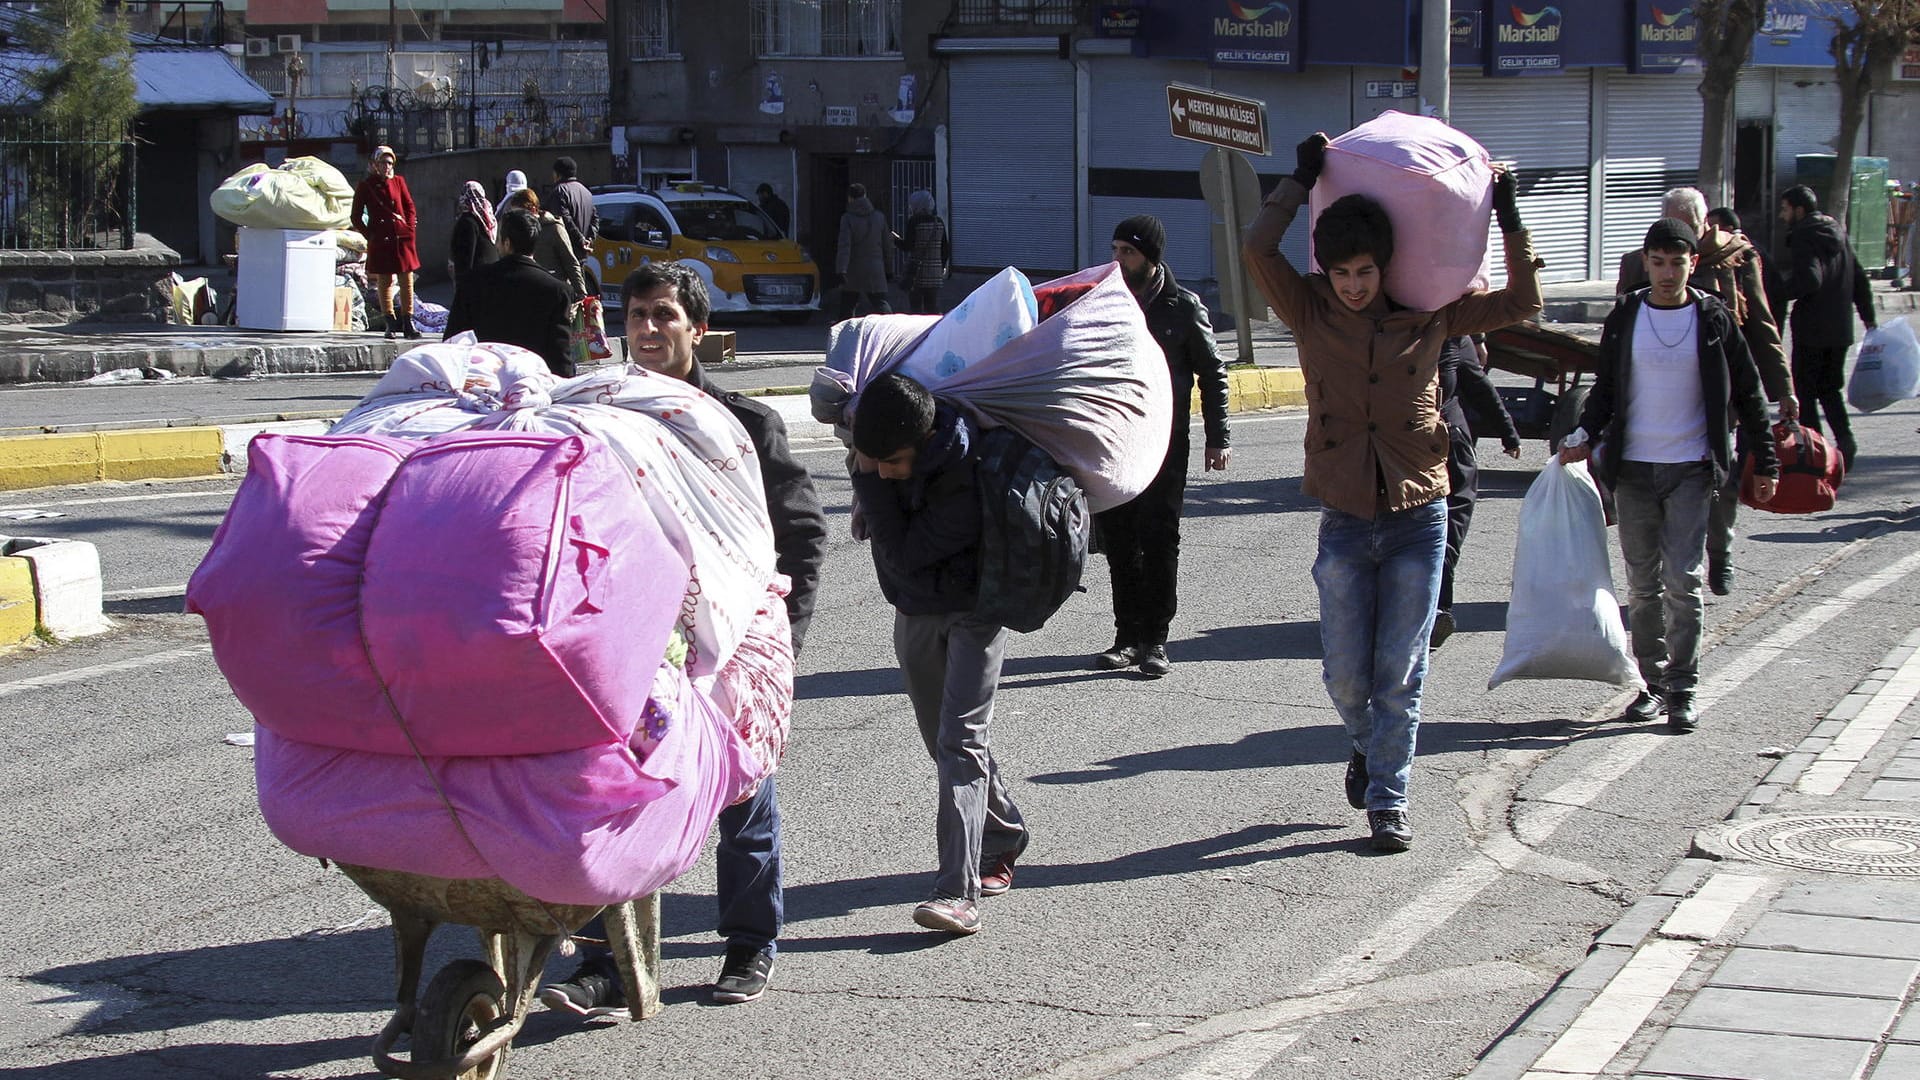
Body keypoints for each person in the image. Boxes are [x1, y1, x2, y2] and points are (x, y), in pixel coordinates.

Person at [1241, 133, 1543, 853]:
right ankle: (1366, 746)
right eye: (1342, 272)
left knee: (1401, 672)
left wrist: (1508, 211)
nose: (1353, 284)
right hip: (1346, 515)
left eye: (1365, 271)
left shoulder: (1432, 313)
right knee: (1348, 676)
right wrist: (1298, 177)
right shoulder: (1310, 309)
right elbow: (1259, 250)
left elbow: (1523, 300)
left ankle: (1390, 800)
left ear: (1386, 266)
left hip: (1420, 513)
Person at [541, 261, 827, 1013]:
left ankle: (749, 944)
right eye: (636, 315)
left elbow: (799, 532)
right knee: (618, 800)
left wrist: (777, 641)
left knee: (743, 794)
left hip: (731, 642)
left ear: (699, 330)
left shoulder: (743, 426)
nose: (647, 328)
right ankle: (612, 964)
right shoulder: (607, 419)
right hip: (636, 644)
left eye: (664, 315)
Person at [1560, 218, 1780, 734]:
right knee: (1642, 585)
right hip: (1634, 470)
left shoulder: (1712, 318)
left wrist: (1765, 460)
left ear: (1692, 264)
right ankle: (1652, 685)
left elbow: (1748, 394)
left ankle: (1683, 687)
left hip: (1693, 469)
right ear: (1646, 262)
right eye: (1657, 262)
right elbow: (1607, 387)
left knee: (1684, 579)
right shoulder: (1628, 315)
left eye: (1676, 262)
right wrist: (1583, 433)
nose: (1666, 272)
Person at [850, 371, 1028, 935]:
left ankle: (957, 890)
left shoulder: (968, 473)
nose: (882, 471)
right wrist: (873, 469)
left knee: (960, 741)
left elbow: (903, 551)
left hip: (974, 610)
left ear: (924, 443)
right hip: (914, 610)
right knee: (943, 742)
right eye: (872, 460)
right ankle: (1002, 832)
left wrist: (869, 484)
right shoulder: (885, 444)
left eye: (892, 463)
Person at [1617, 189, 1797, 596]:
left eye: (1690, 226)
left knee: (1723, 479)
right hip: (1656, 398)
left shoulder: (1735, 257)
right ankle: (1669, 576)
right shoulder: (1638, 262)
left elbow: (1762, 325)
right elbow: (1621, 332)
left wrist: (1782, 387)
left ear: (1706, 225)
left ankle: (1720, 551)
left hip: (1720, 393)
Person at [1091, 213, 1230, 678]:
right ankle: (1125, 637)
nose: (1117, 259)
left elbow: (1212, 374)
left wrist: (1218, 438)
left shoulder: (1182, 307)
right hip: (1116, 441)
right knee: (1119, 542)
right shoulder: (1106, 302)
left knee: (1159, 540)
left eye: (1126, 252)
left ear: (1150, 256)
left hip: (1166, 442)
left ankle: (1155, 640)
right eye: (1114, 250)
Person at [1776, 184, 1876, 471]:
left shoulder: (1804, 235)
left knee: (1805, 393)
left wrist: (1779, 292)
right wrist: (1868, 318)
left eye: (1784, 209)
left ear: (1799, 209)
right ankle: (1845, 441)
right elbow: (1859, 277)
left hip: (1812, 330)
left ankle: (1814, 453)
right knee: (1830, 390)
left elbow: (1810, 279)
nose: (1783, 216)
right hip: (1840, 328)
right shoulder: (1837, 231)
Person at [1431, 334, 1521, 649]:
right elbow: (1477, 383)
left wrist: (1508, 432)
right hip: (1441, 443)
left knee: (1441, 524)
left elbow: (1476, 384)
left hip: (1432, 445)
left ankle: (1430, 609)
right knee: (1448, 524)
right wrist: (1508, 433)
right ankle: (1434, 608)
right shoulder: (1452, 332)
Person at [443, 209, 574, 376]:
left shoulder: (473, 283)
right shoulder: (558, 291)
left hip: (483, 381)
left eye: (498, 240)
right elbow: (560, 356)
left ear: (506, 243)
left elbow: (452, 342)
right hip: (532, 385)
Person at [350, 145, 421, 340]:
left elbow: (409, 207)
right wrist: (370, 235)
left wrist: (410, 229)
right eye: (383, 162)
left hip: (402, 239)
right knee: (385, 281)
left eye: (390, 163)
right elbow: (355, 216)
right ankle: (390, 321)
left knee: (407, 281)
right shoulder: (366, 186)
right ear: (374, 164)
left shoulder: (399, 182)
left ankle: (408, 322)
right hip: (381, 240)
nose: (387, 166)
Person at [502, 188, 589, 302]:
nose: (518, 218)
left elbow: (570, 262)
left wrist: (582, 295)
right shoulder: (516, 231)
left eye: (521, 213)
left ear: (533, 209)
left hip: (554, 293)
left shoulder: (554, 228)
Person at [836, 183, 895, 320]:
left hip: (853, 267)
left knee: (848, 304)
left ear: (850, 198)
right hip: (875, 267)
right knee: (880, 302)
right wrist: (889, 268)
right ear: (865, 195)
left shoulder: (847, 218)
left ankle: (845, 335)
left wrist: (841, 269)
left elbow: (845, 246)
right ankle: (891, 327)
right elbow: (887, 245)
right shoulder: (879, 217)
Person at [896, 189, 950, 315]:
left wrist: (895, 240)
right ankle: (934, 332)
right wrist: (941, 267)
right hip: (935, 274)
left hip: (918, 273)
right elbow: (945, 249)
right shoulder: (939, 222)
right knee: (932, 308)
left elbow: (908, 246)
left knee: (916, 309)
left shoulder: (914, 221)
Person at [546, 156, 599, 263]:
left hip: (565, 255)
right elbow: (595, 219)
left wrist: (581, 240)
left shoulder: (559, 191)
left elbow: (564, 219)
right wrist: (589, 239)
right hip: (582, 254)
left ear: (558, 174)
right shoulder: (586, 192)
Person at [447, 180, 498, 283]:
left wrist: (462, 287)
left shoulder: (467, 222)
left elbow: (465, 259)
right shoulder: (488, 219)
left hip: (477, 280)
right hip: (492, 274)